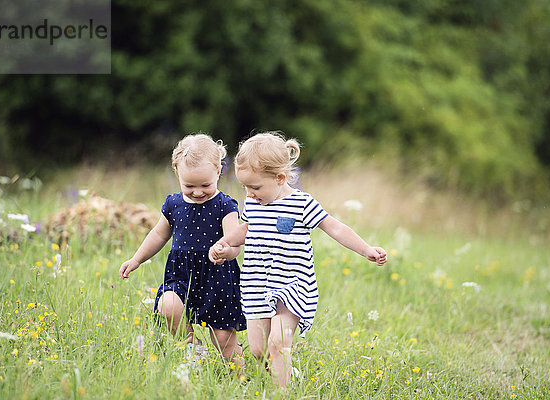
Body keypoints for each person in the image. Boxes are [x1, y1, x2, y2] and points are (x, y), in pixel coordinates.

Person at [209, 132, 387, 388]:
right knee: (258, 350)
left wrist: (366, 249)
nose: (249, 193)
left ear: (280, 178)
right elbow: (247, 229)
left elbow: (334, 227)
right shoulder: (254, 203)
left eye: (256, 187)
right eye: (245, 187)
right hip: (256, 283)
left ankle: (284, 391)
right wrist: (226, 244)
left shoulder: (301, 203)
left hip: (292, 285)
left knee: (278, 343)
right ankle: (272, 378)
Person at [119, 134, 246, 367]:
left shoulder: (225, 205)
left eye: (205, 185)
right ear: (177, 174)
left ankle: (238, 380)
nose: (198, 192)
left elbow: (235, 241)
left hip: (216, 278)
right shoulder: (173, 204)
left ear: (218, 172)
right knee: (167, 306)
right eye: (189, 186)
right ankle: (193, 348)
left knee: (223, 339)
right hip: (181, 275)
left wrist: (225, 251)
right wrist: (136, 259)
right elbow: (158, 234)